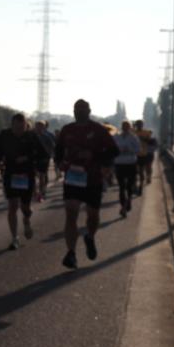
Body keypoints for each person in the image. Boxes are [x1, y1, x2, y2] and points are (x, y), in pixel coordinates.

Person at [55, 99, 119, 269]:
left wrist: (94, 155)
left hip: (92, 179)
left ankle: (90, 236)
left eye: (83, 109)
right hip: (72, 178)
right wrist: (59, 162)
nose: (80, 112)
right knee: (71, 212)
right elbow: (58, 151)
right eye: (77, 109)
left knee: (92, 215)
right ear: (73, 111)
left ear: (89, 111)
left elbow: (114, 150)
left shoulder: (98, 130)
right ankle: (71, 253)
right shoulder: (67, 130)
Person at [0, 113, 46, 250]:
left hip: (26, 175)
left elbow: (43, 153)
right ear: (11, 125)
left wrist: (27, 158)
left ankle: (27, 220)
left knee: (25, 208)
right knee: (12, 206)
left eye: (21, 127)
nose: (18, 130)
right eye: (16, 127)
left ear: (25, 126)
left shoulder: (31, 136)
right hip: (10, 174)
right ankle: (14, 238)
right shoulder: (4, 135)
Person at [113, 121, 141, 218]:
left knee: (129, 186)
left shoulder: (133, 138)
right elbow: (112, 149)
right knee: (121, 186)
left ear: (129, 127)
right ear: (121, 127)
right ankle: (123, 206)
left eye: (127, 126)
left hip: (130, 163)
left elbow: (138, 150)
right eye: (123, 126)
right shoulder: (116, 137)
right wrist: (118, 150)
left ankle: (128, 201)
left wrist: (129, 150)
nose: (125, 128)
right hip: (119, 163)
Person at [34, 120, 56, 201]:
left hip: (43, 159)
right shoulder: (31, 136)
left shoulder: (47, 136)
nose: (39, 128)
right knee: (33, 175)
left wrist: (48, 155)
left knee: (42, 176)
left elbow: (53, 146)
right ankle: (35, 192)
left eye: (41, 126)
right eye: (37, 126)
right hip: (33, 159)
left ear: (44, 127)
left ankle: (42, 192)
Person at [134, 120, 157, 193]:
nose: (140, 126)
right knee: (135, 171)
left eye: (141, 124)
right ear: (136, 125)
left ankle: (144, 181)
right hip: (134, 155)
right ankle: (135, 184)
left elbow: (152, 142)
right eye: (138, 124)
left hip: (144, 154)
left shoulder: (146, 133)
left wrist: (144, 139)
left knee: (146, 168)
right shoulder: (132, 133)